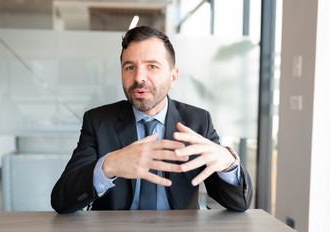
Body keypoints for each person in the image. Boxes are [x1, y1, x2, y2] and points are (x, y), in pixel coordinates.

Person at [51, 26, 253, 214]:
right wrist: (109, 165)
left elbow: (239, 203)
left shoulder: (198, 121)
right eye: (130, 67)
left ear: (173, 77)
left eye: (152, 66)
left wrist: (229, 163)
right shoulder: (98, 121)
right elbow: (62, 200)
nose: (139, 77)